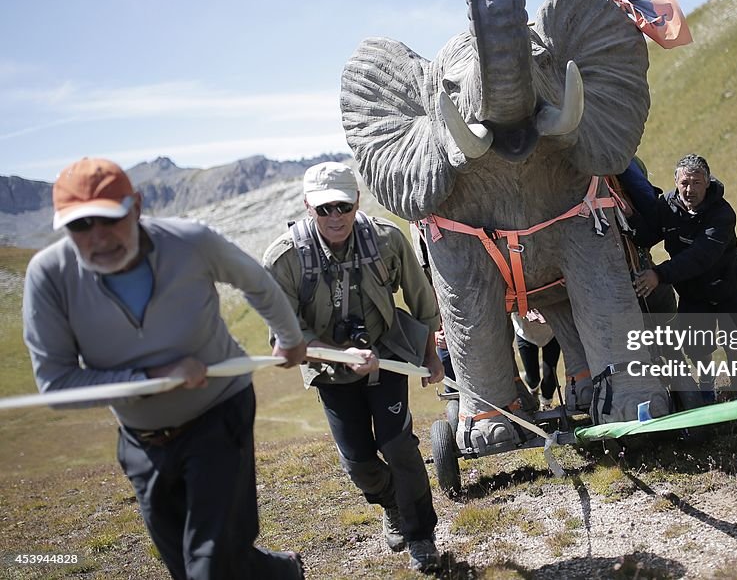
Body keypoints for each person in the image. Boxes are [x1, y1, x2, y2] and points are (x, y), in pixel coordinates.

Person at [22, 158, 307, 580]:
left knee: (207, 568)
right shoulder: (48, 276)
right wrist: (148, 381)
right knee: (188, 565)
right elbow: (56, 383)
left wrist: (289, 337)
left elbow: (256, 282)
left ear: (135, 206)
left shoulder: (190, 242)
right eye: (80, 226)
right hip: (142, 442)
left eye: (108, 218)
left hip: (219, 415)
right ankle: (280, 573)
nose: (98, 238)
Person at [262, 161, 445, 573]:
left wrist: (432, 355)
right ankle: (391, 503)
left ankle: (421, 535)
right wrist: (341, 356)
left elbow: (421, 297)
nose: (335, 217)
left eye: (343, 206)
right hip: (329, 370)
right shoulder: (285, 260)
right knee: (358, 462)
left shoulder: (387, 239)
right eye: (324, 209)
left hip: (388, 355)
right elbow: (286, 338)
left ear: (357, 201)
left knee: (398, 445)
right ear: (308, 206)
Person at [628, 154, 737, 400]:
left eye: (696, 183)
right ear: (676, 181)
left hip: (729, 288)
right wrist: (630, 217)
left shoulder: (722, 214)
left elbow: (702, 255)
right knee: (697, 348)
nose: (690, 189)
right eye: (685, 182)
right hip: (693, 291)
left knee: (734, 346)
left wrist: (659, 274)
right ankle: (708, 386)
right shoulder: (666, 205)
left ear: (707, 183)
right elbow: (647, 236)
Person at [512, 310, 562, 410]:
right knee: (532, 379)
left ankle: (546, 403)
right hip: (525, 334)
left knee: (550, 376)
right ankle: (533, 392)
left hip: (551, 332)